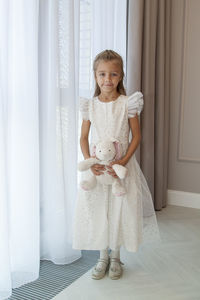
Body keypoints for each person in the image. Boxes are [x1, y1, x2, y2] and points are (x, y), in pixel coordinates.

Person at [72, 50, 160, 280]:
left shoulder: (127, 104)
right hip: (98, 170)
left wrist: (122, 161)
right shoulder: (89, 106)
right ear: (95, 76)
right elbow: (83, 137)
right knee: (100, 209)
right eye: (102, 74)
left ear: (120, 77)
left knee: (121, 210)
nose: (107, 79)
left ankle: (116, 257)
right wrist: (90, 163)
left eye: (113, 74)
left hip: (122, 169)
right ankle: (102, 257)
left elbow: (136, 137)